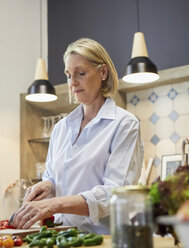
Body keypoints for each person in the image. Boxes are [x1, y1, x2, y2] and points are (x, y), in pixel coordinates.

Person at [11, 38, 144, 234]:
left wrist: (53, 205)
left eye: (81, 73)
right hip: (61, 236)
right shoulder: (61, 128)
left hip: (102, 239)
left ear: (103, 72)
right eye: (68, 75)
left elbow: (115, 195)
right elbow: (53, 177)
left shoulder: (124, 124)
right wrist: (48, 187)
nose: (72, 83)